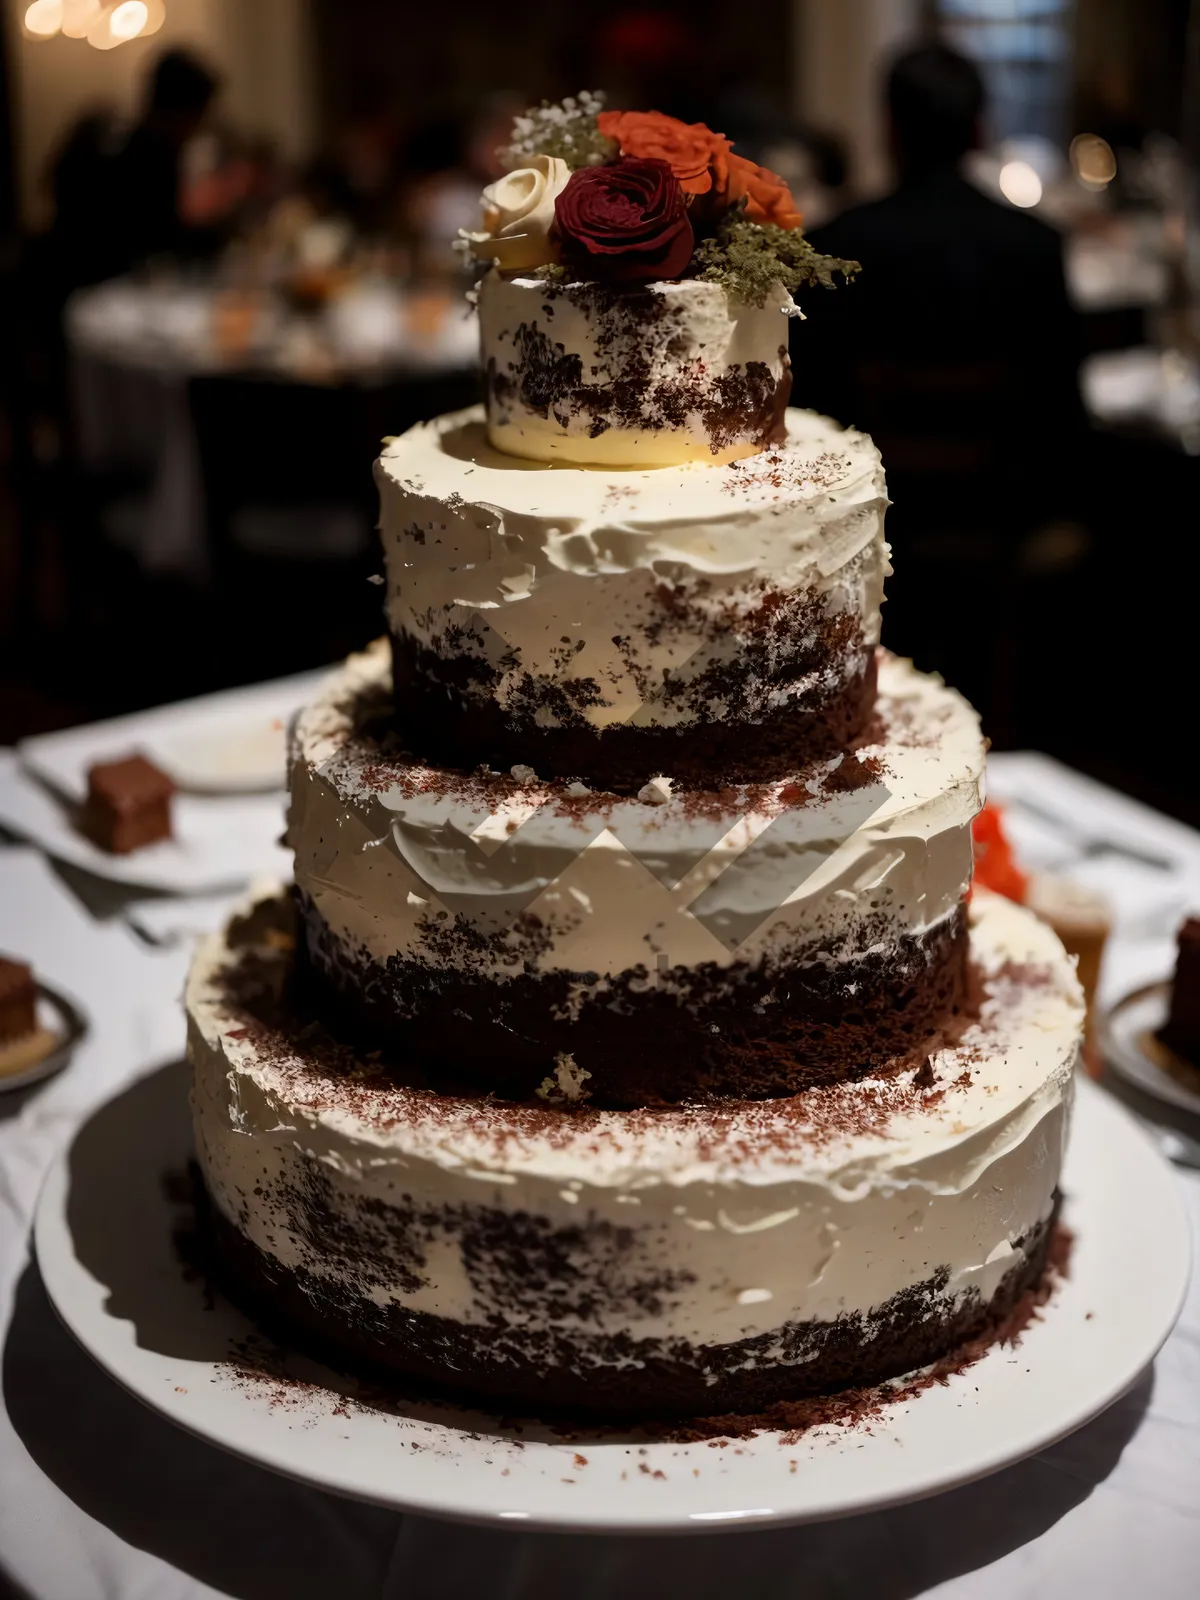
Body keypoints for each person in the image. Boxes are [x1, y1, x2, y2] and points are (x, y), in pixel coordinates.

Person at [793, 44, 1086, 723]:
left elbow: (811, 417)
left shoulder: (839, 245)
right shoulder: (1035, 247)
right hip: (1002, 518)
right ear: (980, 129)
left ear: (888, 129)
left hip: (876, 523)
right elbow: (1061, 412)